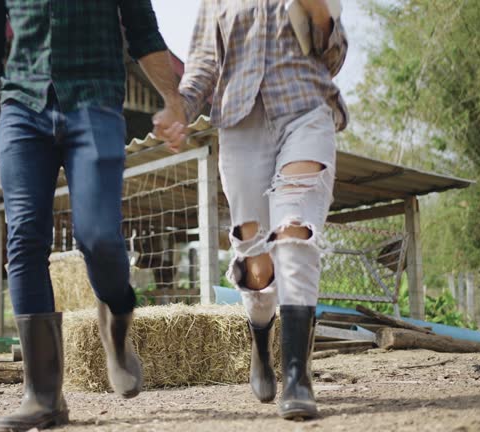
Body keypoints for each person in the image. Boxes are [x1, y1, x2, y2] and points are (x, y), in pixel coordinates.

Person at [0, 1, 186, 431]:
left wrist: (172, 100)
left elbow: (144, 32)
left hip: (94, 103)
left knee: (98, 236)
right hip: (23, 110)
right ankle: (43, 396)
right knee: (24, 236)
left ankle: (117, 321)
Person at [154, 0, 348, 420]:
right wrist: (180, 112)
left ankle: (297, 373)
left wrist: (316, 11)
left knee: (294, 229)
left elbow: (334, 55)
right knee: (256, 261)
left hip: (305, 113)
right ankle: (261, 339)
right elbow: (203, 68)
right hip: (241, 126)